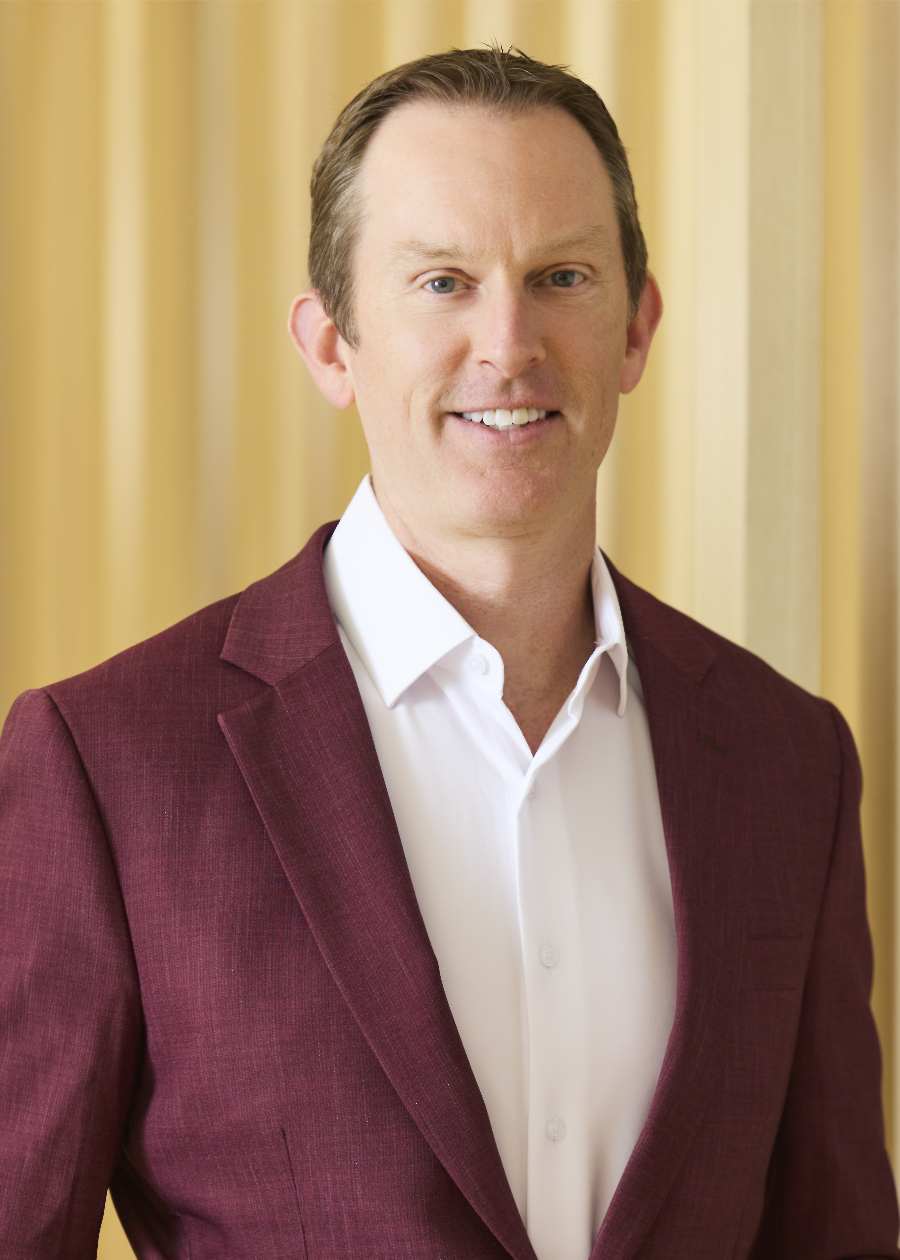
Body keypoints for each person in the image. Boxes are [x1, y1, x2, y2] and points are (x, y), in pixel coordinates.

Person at [0, 45, 897, 1260]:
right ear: (330, 345)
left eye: (562, 275)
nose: (509, 340)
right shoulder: (106, 766)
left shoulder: (792, 761)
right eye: (441, 282)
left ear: (636, 328)